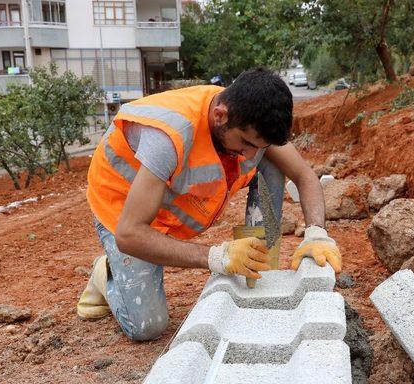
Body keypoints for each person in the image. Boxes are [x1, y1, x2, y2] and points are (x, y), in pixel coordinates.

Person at [77, 68, 342, 341]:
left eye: (258, 146)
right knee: (147, 327)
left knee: (272, 164)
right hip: (124, 207)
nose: (250, 154)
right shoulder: (170, 137)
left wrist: (316, 233)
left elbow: (304, 176)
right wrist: (218, 257)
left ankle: (259, 264)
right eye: (247, 143)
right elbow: (130, 234)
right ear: (220, 116)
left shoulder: (248, 118)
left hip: (167, 198)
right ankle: (106, 273)